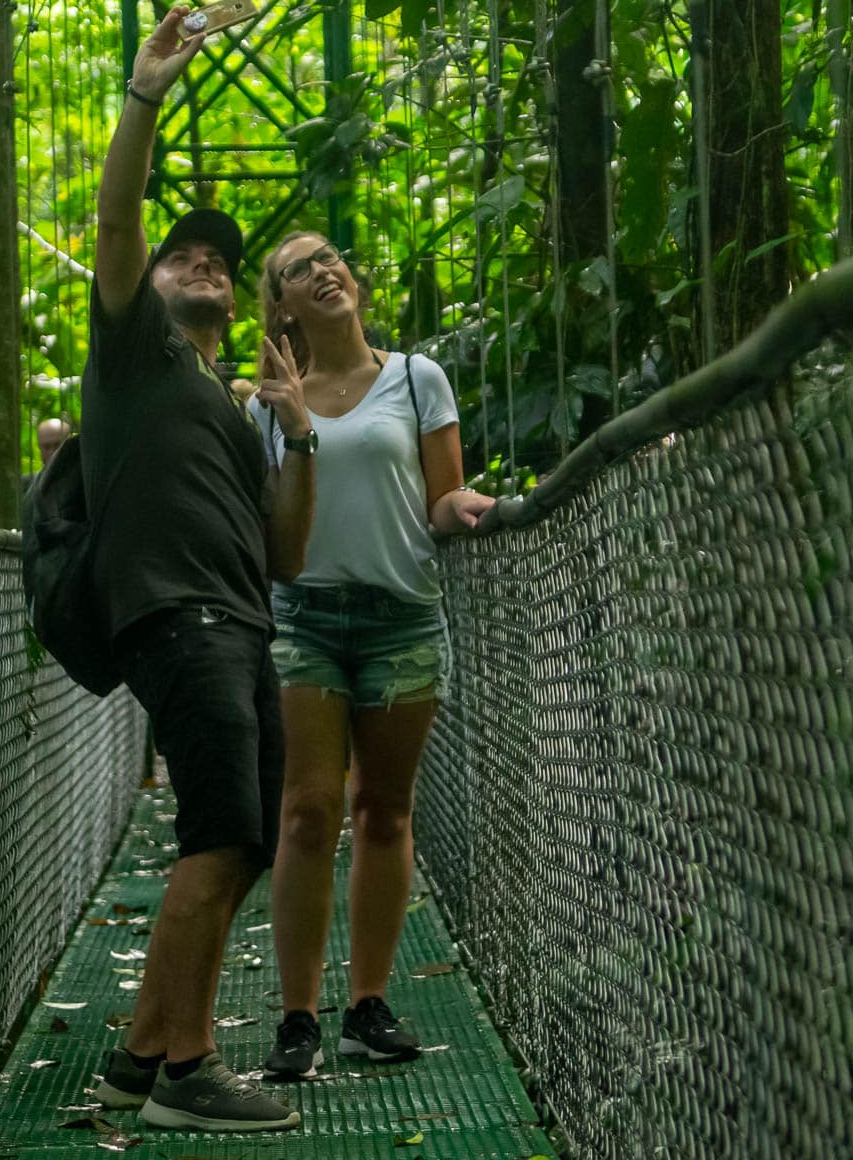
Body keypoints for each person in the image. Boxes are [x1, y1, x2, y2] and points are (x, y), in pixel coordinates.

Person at [82, 3, 317, 1133]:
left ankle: (144, 1057)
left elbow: (286, 550)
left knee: (249, 839)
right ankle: (190, 1066)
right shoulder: (133, 349)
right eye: (188, 254)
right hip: (179, 616)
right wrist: (145, 92)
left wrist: (298, 430)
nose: (206, 264)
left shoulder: (230, 407)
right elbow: (118, 214)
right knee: (220, 833)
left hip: (238, 617)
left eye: (221, 261)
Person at [246, 232, 494, 1081]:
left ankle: (368, 1005)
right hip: (303, 618)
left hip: (401, 616)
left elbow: (438, 498)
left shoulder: (418, 378)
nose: (321, 269)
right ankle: (297, 1018)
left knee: (384, 810)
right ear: (280, 305)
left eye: (328, 256)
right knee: (307, 810)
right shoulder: (267, 405)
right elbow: (270, 531)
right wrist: (286, 422)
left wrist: (464, 503)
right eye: (296, 269)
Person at [21, 417, 73, 494]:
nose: (53, 452)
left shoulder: (84, 481)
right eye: (47, 447)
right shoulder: (25, 485)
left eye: (57, 445)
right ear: (39, 447)